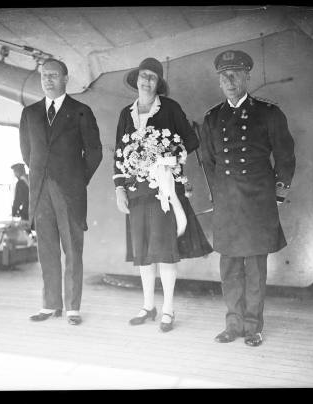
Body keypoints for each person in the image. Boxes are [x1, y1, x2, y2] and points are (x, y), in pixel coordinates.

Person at [200, 50, 296, 346]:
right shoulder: (213, 117)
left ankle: (253, 326)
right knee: (229, 267)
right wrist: (219, 195)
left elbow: (285, 155)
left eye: (235, 74)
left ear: (247, 77)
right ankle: (233, 324)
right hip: (228, 203)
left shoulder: (268, 113)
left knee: (254, 267)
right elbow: (208, 161)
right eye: (224, 76)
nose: (229, 80)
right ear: (219, 81)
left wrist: (278, 195)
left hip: (257, 202)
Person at [113, 57, 213, 332]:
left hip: (164, 191)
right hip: (137, 192)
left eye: (152, 78)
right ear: (137, 80)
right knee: (144, 251)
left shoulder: (169, 108)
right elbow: (119, 154)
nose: (146, 81)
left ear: (159, 83)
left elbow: (191, 141)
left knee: (165, 251)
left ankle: (168, 308)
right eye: (143, 76)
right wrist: (119, 187)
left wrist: (168, 157)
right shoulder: (126, 113)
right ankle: (148, 306)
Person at [19, 58, 102, 326]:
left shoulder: (81, 110)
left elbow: (94, 152)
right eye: (44, 75)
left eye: (54, 75)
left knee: (73, 250)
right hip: (40, 190)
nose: (48, 79)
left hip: (69, 192)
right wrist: (40, 176)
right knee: (47, 250)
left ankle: (72, 309)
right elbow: (27, 153)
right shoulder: (29, 113)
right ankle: (50, 305)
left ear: (66, 78)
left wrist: (78, 180)